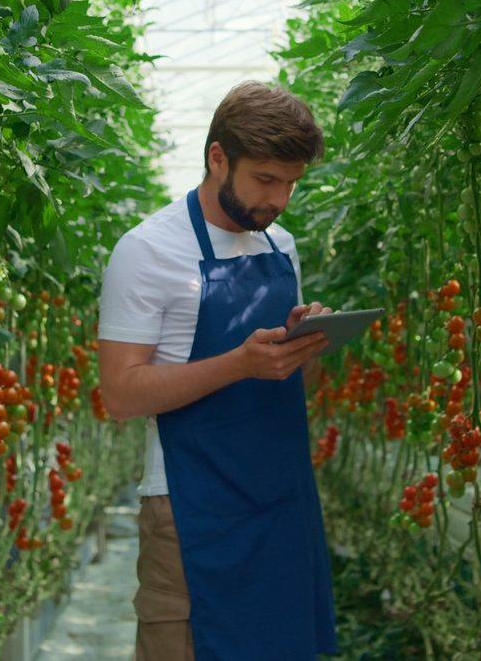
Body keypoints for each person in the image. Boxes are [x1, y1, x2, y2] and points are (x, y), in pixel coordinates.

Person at [98, 82, 338, 661]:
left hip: (281, 500)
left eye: (291, 183)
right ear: (217, 157)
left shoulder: (281, 246)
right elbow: (121, 394)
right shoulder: (148, 251)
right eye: (266, 180)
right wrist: (239, 364)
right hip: (188, 510)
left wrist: (305, 346)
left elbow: (292, 387)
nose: (279, 199)